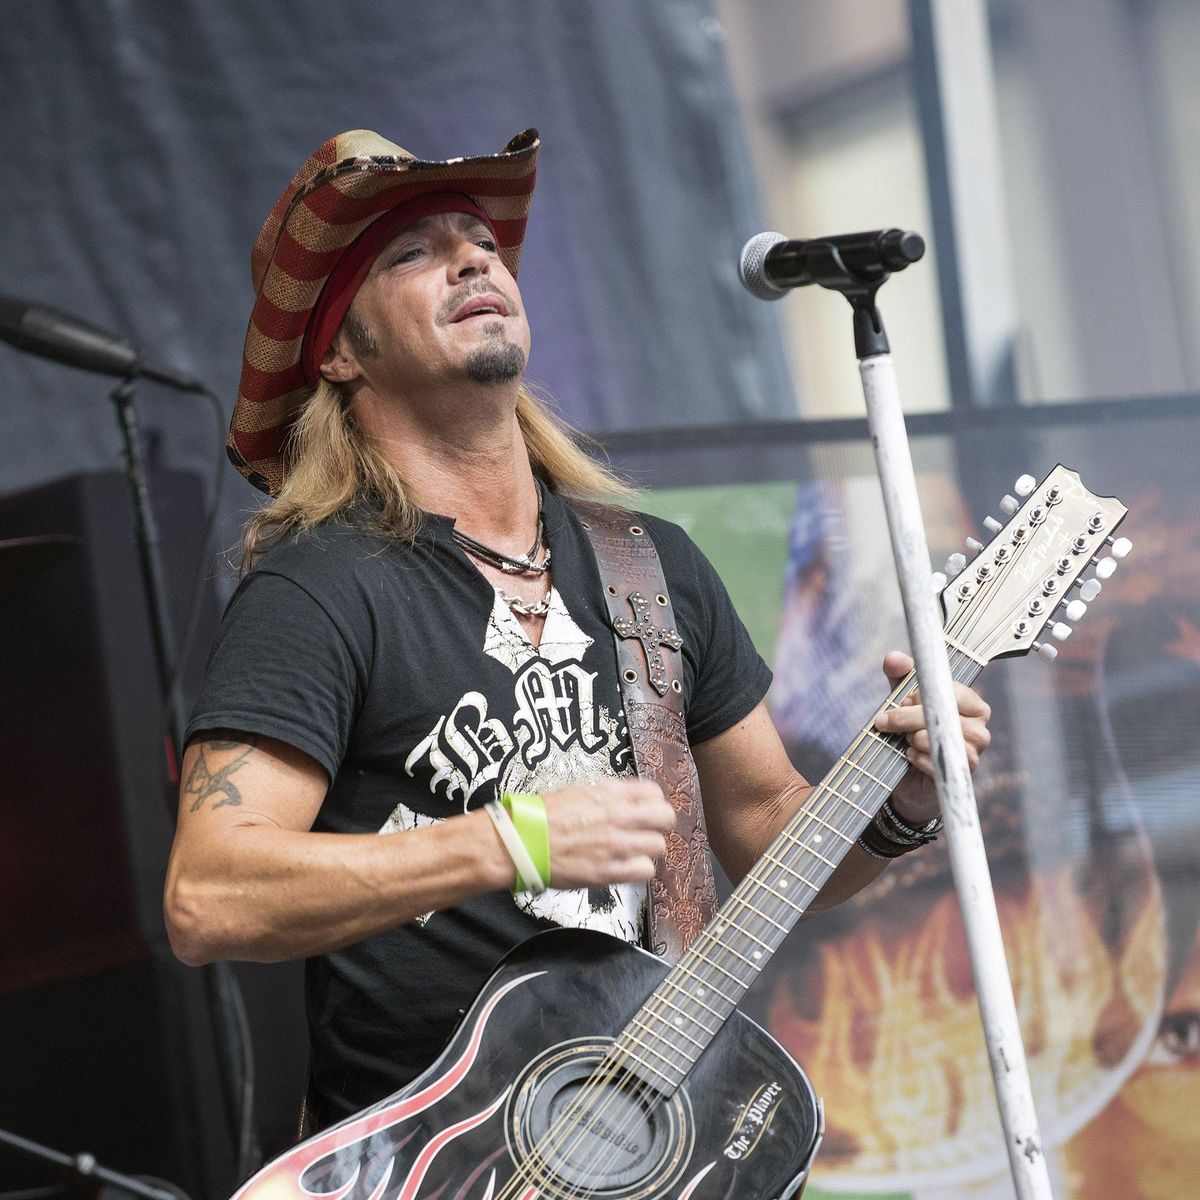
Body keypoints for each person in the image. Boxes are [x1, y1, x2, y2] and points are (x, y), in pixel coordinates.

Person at [163, 127, 992, 1131]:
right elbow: (209, 896)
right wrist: (512, 841)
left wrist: (900, 802)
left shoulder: (651, 567)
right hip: (442, 1164)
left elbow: (771, 831)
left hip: (648, 1139)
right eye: (413, 252)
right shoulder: (320, 589)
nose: (473, 259)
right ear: (340, 350)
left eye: (482, 243)